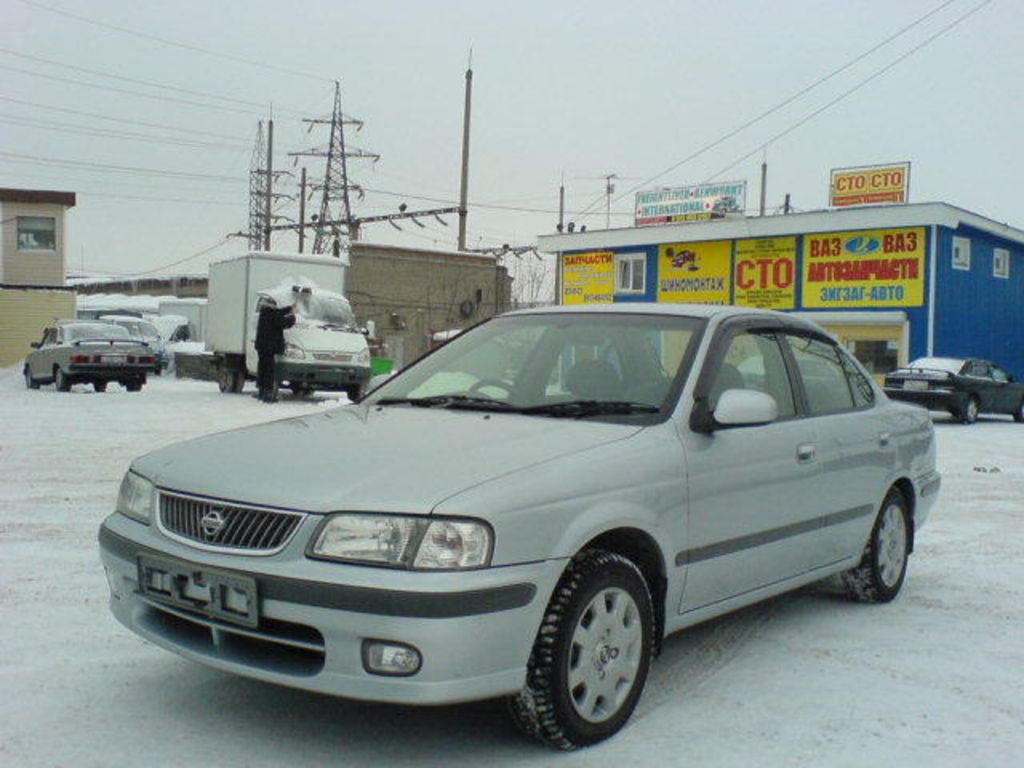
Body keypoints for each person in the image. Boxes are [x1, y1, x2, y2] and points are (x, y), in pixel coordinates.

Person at [255, 298, 296, 402]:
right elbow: (281, 321)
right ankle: (268, 394)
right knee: (269, 370)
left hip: (262, 346)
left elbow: (278, 313)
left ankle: (261, 391)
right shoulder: (271, 314)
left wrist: (290, 308)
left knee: (262, 368)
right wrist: (292, 319)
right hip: (269, 347)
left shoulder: (265, 312)